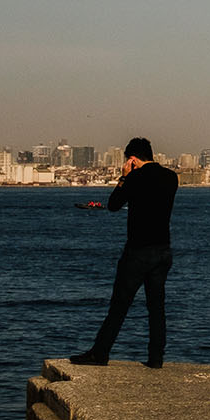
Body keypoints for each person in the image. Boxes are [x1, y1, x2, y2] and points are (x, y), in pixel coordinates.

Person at [70, 138, 179, 369]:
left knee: (119, 305)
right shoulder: (171, 177)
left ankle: (100, 354)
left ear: (131, 159)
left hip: (138, 251)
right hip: (163, 251)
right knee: (157, 307)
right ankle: (156, 358)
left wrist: (123, 177)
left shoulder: (135, 178)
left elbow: (113, 205)